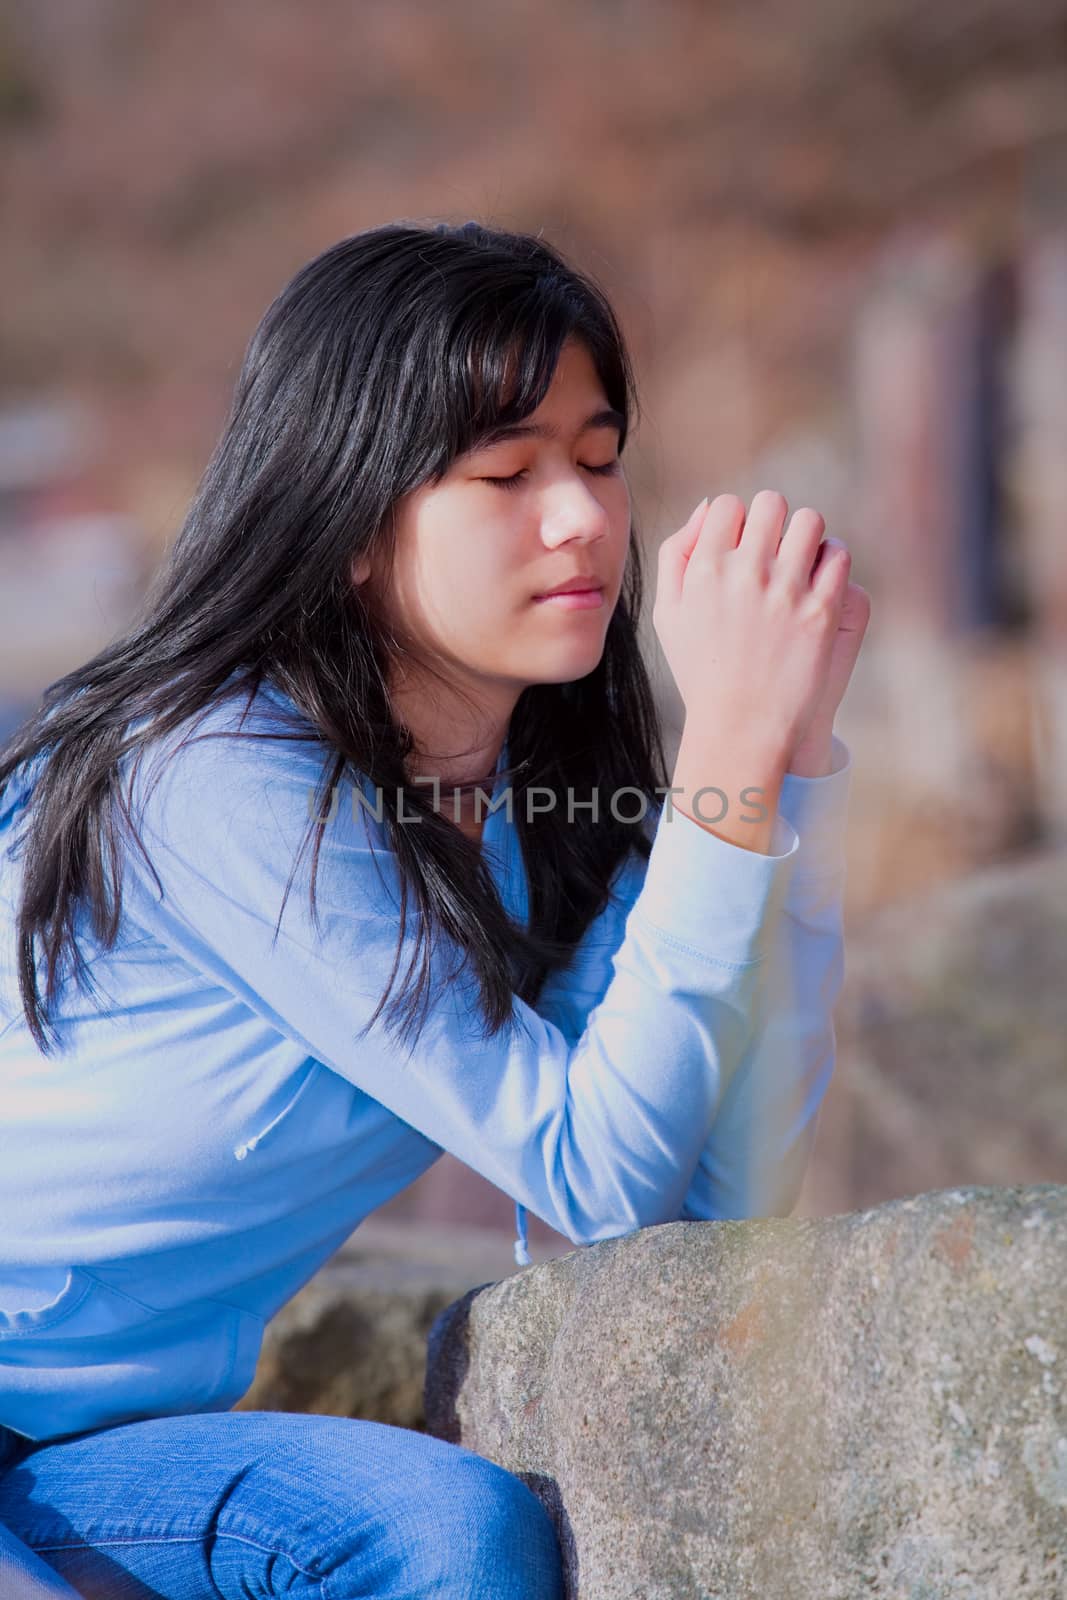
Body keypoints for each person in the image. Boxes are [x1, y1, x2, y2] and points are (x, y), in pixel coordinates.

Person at [0, 218, 869, 1598]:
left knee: (456, 1542)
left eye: (596, 459)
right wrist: (724, 764)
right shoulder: (216, 775)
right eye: (507, 472)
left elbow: (709, 1199)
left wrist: (782, 763)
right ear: (348, 524)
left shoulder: (543, 826)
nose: (582, 515)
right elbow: (587, 1166)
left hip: (84, 1455)